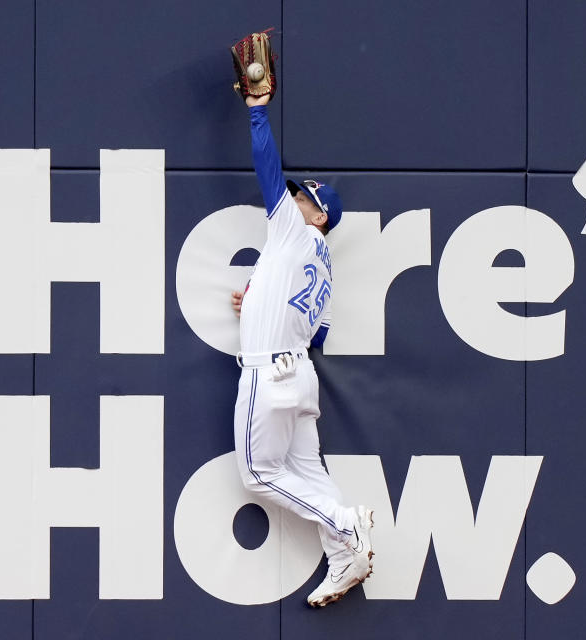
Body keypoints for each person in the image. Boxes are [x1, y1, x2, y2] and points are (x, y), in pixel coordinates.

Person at [230, 92, 374, 608]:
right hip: (301, 374)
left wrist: (257, 109)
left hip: (269, 376)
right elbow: (316, 336)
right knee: (310, 473)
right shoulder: (324, 268)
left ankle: (343, 522)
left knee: (256, 473)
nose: (291, 201)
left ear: (318, 217)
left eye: (302, 200)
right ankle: (346, 557)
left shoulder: (292, 232)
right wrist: (255, 304)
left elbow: (267, 167)